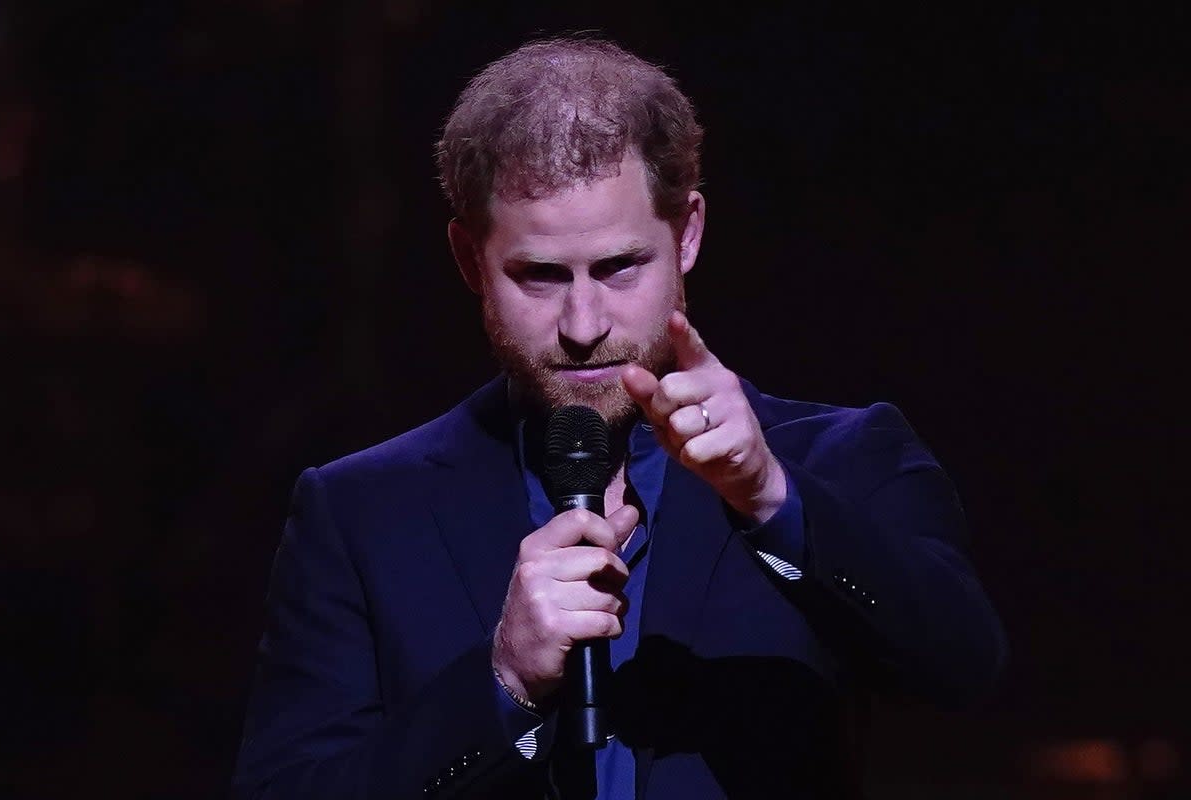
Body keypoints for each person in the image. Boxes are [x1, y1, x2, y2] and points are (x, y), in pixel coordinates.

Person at [231, 34, 1007, 800]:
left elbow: (963, 670)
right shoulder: (361, 511)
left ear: (688, 234)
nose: (582, 322)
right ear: (470, 261)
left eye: (618, 267)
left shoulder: (839, 458)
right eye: (538, 275)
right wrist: (503, 681)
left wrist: (771, 498)